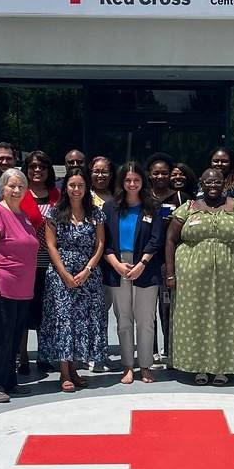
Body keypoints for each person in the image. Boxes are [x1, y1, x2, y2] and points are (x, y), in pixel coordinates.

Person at [165, 168, 234, 385]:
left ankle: (223, 367)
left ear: (224, 183)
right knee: (195, 318)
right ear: (201, 183)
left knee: (230, 318)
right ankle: (199, 367)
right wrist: (170, 273)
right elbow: (170, 239)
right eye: (208, 181)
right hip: (191, 278)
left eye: (217, 181)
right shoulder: (188, 208)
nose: (213, 185)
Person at [39, 168, 108, 392]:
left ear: (86, 188)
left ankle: (75, 369)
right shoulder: (54, 213)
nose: (76, 189)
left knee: (82, 322)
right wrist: (64, 274)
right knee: (64, 321)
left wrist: (88, 269)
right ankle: (64, 372)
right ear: (65, 187)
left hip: (89, 274)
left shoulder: (95, 213)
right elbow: (51, 246)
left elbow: (100, 244)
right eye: (72, 185)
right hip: (61, 274)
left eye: (80, 185)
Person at [0, 168, 39, 403]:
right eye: (12, 185)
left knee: (14, 337)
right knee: (2, 336)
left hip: (22, 288)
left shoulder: (22, 215)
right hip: (2, 285)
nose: (16, 190)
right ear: (2, 188)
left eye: (21, 186)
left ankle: (9, 381)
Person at [103, 162, 164, 383]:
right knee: (124, 319)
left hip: (145, 266)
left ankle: (145, 365)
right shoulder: (110, 207)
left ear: (142, 181)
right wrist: (116, 264)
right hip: (118, 265)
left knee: (146, 319)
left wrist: (142, 263)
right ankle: (128, 365)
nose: (132, 184)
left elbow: (156, 239)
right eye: (128, 180)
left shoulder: (152, 207)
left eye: (136, 180)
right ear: (121, 182)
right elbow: (104, 241)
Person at [18, 150, 60, 373]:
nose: (37, 170)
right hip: (25, 263)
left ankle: (45, 355)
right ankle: (23, 356)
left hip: (52, 262)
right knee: (24, 311)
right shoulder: (19, 193)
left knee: (47, 311)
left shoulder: (57, 195)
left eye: (42, 167)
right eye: (33, 166)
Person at [146, 152, 189, 364]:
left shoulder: (181, 198)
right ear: (149, 175)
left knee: (167, 306)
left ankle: (171, 350)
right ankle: (151, 350)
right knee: (147, 309)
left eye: (164, 173)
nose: (160, 176)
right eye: (156, 173)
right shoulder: (143, 197)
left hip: (170, 261)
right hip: (146, 260)